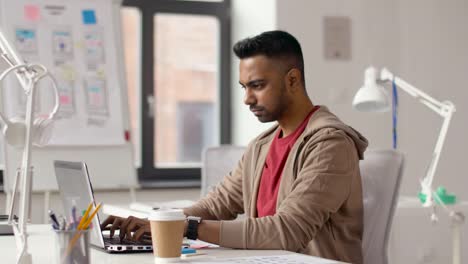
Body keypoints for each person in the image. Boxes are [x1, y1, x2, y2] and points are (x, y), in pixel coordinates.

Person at [101, 30, 368, 263]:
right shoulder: (261, 145)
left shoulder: (330, 145)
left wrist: (188, 227)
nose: (247, 99)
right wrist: (160, 222)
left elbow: (286, 231)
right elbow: (217, 204)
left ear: (293, 80)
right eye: (244, 87)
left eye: (257, 86)